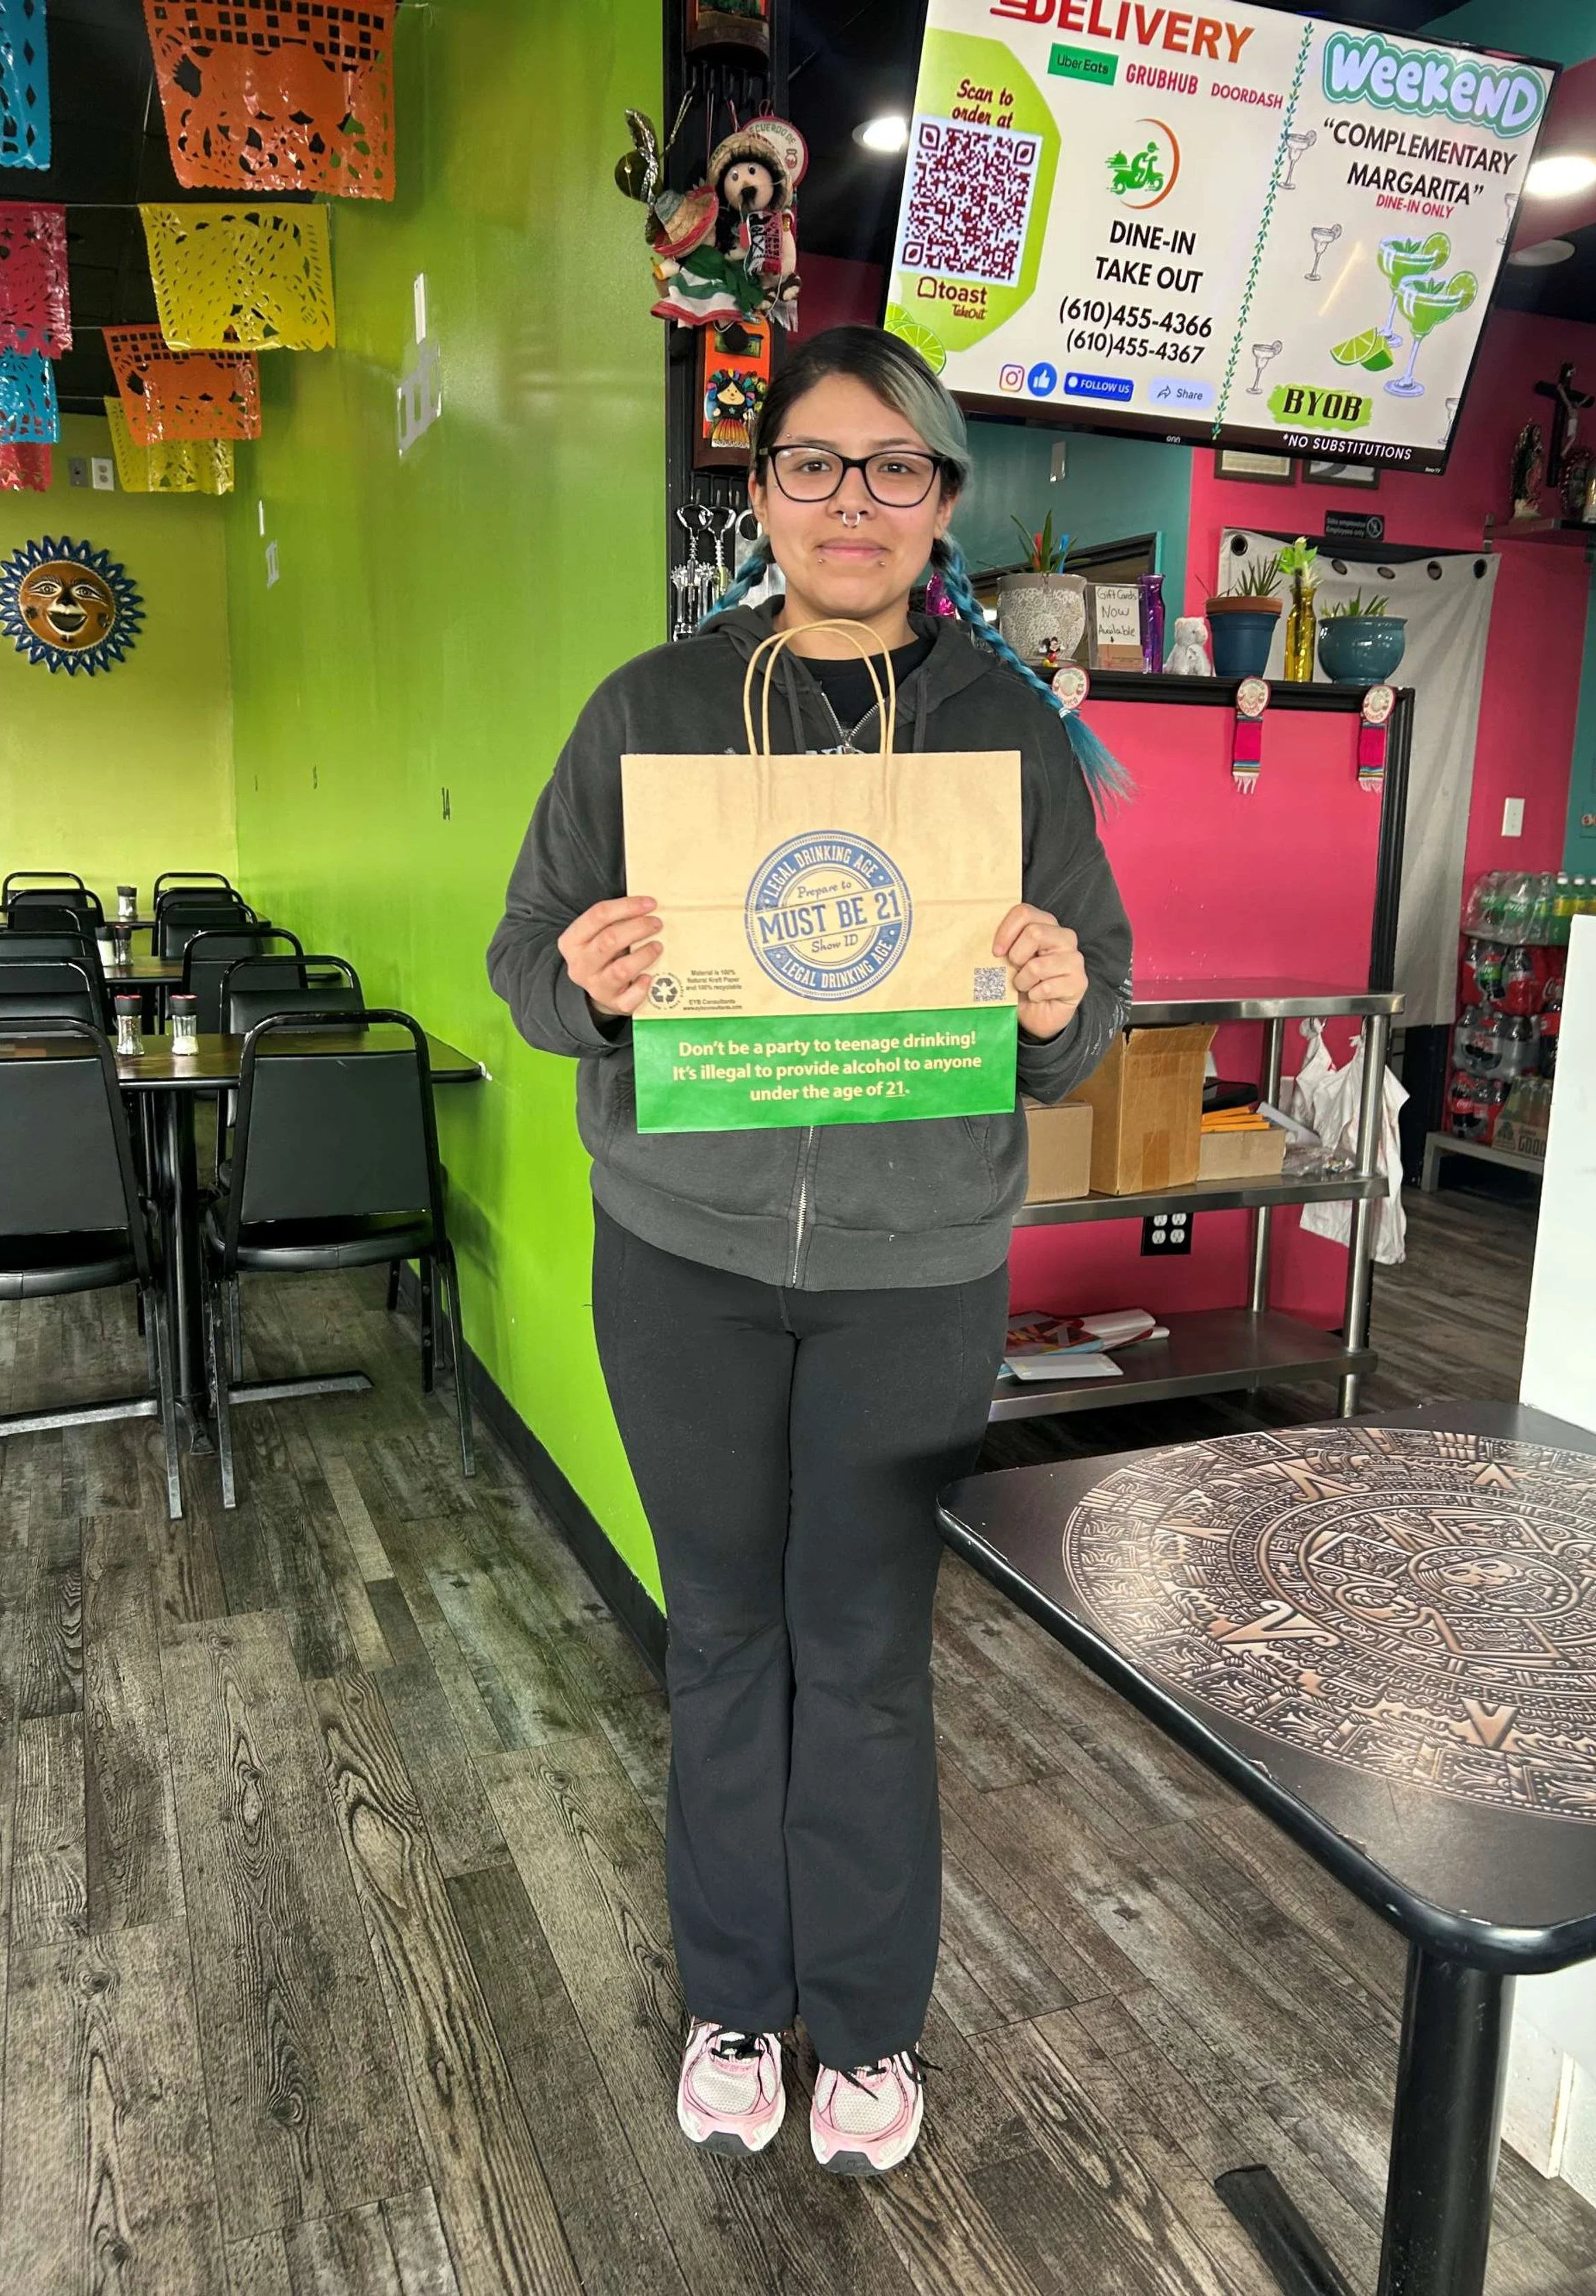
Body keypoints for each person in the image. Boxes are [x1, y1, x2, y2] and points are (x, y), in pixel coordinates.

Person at [488, 324, 1132, 2175]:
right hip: (679, 1255)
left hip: (913, 1271)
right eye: (812, 465)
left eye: (895, 467)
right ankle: (728, 1997)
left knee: (860, 1653)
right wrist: (585, 982)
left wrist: (1058, 988)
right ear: (758, 491)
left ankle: (859, 2027)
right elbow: (525, 955)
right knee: (722, 1639)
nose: (852, 502)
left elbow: (1079, 1024)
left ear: (942, 503)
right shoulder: (649, 707)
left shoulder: (1011, 731)